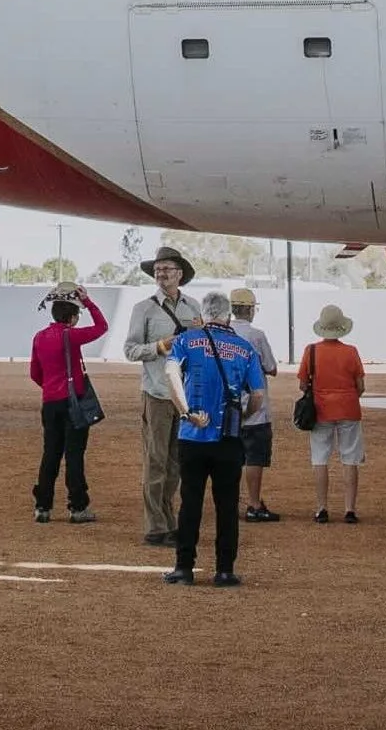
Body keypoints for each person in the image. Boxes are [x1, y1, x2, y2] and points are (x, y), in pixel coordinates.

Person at [165, 290, 266, 586]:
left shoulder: (186, 340)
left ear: (204, 314)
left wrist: (185, 412)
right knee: (227, 505)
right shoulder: (244, 348)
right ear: (229, 315)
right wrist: (244, 417)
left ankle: (184, 568)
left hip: (192, 434)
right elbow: (258, 394)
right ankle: (224, 570)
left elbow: (171, 374)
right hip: (228, 436)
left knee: (190, 502)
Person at [124, 247, 201, 546]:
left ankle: (168, 520)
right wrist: (159, 346)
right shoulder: (143, 308)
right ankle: (156, 525)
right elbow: (130, 350)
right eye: (158, 270)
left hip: (184, 395)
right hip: (156, 393)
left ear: (180, 274)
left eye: (167, 269)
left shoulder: (193, 308)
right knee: (155, 460)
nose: (161, 274)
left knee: (176, 463)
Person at [27, 286, 108, 523]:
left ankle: (43, 506)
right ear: (72, 318)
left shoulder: (40, 337)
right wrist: (88, 301)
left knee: (50, 453)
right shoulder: (71, 335)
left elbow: (35, 373)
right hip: (74, 403)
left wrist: (51, 388)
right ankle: (77, 507)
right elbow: (102, 327)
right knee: (74, 455)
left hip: (50, 402)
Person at [299, 304, 367, 524]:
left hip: (320, 409)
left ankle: (322, 508)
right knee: (350, 458)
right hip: (348, 408)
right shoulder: (351, 351)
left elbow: (302, 384)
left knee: (320, 458)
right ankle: (350, 509)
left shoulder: (311, 351)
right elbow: (360, 386)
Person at [228, 286, 282, 524]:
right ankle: (253, 503)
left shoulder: (223, 333)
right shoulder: (257, 335)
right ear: (250, 310)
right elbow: (271, 367)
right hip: (255, 406)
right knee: (254, 457)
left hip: (228, 405)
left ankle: (229, 502)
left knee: (230, 456)